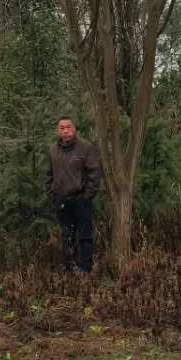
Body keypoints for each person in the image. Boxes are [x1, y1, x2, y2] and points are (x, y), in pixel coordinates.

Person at [47, 117, 101, 273]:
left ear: (74, 128)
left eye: (68, 127)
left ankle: (86, 269)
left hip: (81, 199)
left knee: (84, 236)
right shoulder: (52, 150)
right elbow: (48, 175)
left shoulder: (86, 148)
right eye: (62, 128)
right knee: (67, 236)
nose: (65, 131)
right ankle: (71, 268)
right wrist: (52, 195)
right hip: (61, 200)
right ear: (58, 131)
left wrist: (87, 196)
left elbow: (94, 173)